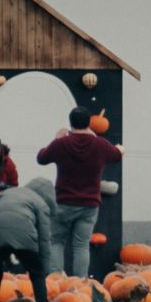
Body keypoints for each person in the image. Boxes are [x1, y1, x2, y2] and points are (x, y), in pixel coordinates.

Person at [36, 109, 122, 277]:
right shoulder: (100, 144)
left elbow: (41, 158)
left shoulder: (61, 144)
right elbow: (117, 154)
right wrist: (106, 143)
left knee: (56, 242)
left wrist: (57, 139)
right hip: (89, 204)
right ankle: (80, 282)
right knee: (81, 245)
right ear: (89, 123)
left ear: (70, 123)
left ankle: (56, 280)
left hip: (63, 202)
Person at [0, 179, 55, 302]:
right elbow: (44, 239)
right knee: (36, 274)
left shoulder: (8, 193)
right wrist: (45, 268)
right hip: (24, 233)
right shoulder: (41, 203)